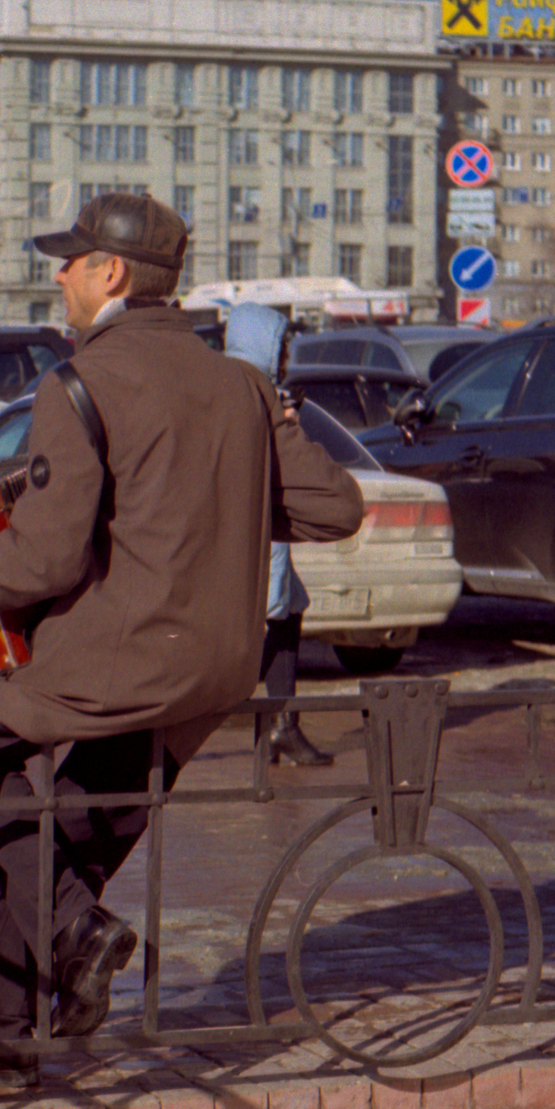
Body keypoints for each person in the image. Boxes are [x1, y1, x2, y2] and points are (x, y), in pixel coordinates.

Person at [0, 194, 364, 1086]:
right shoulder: (242, 383)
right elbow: (335, 506)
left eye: (70, 262)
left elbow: (41, 558)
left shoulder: (79, 382)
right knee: (68, 842)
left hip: (117, 661)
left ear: (110, 274)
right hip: (217, 671)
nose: (59, 276)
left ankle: (77, 935)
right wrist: (244, 459)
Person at [223, 304, 335, 767]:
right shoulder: (240, 390)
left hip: (266, 522)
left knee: (288, 609)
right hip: (246, 526)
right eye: (283, 344)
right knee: (265, 613)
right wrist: (282, 426)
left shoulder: (254, 388)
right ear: (265, 345)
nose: (289, 353)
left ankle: (281, 728)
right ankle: (268, 729)